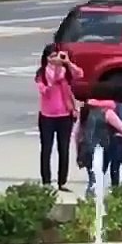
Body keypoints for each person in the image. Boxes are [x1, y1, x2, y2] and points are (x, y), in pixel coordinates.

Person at [75, 82, 122, 197]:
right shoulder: (108, 112)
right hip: (102, 149)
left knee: (92, 177)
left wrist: (78, 150)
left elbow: (76, 133)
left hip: (86, 148)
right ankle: (93, 202)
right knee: (97, 177)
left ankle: (89, 202)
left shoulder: (85, 110)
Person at [35, 43, 85, 192]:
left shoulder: (66, 71)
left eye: (57, 55)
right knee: (47, 149)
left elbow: (79, 74)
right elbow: (46, 91)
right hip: (47, 116)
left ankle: (62, 181)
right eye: (52, 56)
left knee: (63, 149)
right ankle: (46, 181)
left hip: (65, 115)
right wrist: (56, 72)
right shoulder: (42, 74)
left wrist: (67, 62)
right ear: (46, 58)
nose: (55, 59)